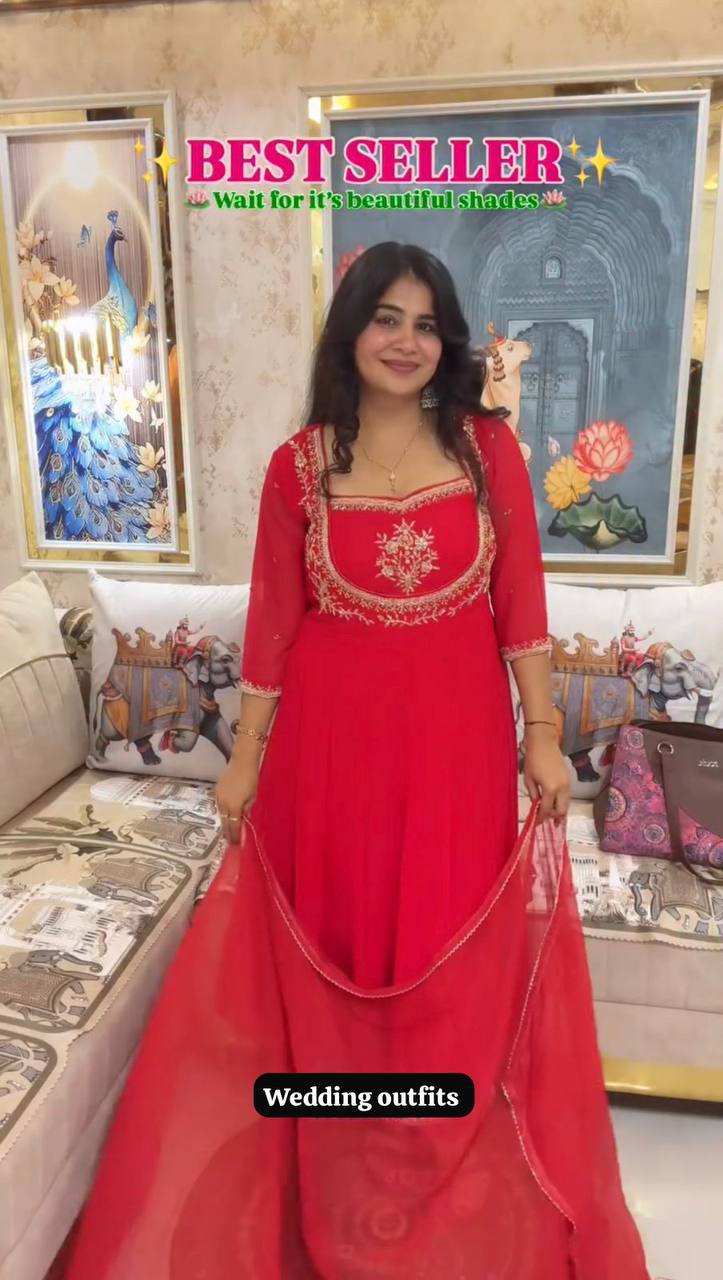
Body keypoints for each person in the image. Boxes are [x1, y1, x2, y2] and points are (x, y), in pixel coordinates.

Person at [65, 243, 650, 1279]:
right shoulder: (300, 466)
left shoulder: (485, 452)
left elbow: (521, 605)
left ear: (446, 341)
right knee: (336, 946)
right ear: (350, 332)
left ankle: (429, 1148)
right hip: (330, 753)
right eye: (386, 318)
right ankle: (334, 1150)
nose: (405, 342)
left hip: (456, 751)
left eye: (425, 324)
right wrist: (243, 761)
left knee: (440, 944)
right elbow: (274, 627)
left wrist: (541, 735)